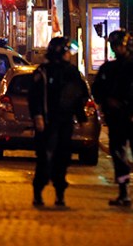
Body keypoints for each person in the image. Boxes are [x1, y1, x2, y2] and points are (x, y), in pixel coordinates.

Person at [92, 29, 133, 208]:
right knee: (119, 157)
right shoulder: (108, 68)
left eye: (119, 45)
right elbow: (97, 90)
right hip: (117, 119)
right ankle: (124, 192)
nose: (117, 49)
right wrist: (107, 102)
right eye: (115, 46)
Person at [29, 37, 89, 207]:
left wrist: (81, 117)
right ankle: (38, 193)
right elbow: (34, 96)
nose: (69, 55)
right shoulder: (43, 72)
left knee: (62, 158)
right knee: (44, 158)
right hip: (47, 122)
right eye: (67, 51)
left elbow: (77, 96)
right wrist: (38, 116)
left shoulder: (71, 72)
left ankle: (60, 194)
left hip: (64, 122)